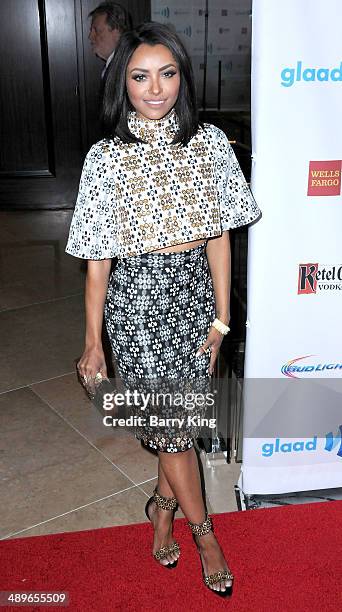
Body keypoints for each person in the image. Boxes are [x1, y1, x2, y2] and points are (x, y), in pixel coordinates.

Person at [65, 21, 261, 597]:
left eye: (168, 74)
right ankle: (205, 533)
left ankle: (159, 506)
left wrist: (222, 318)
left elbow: (220, 236)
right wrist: (93, 338)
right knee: (173, 431)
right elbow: (98, 258)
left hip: (194, 297)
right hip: (137, 304)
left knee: (179, 421)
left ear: (183, 76)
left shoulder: (210, 145)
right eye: (141, 76)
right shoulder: (106, 159)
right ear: (121, 82)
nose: (156, 89)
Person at [88, 1, 132, 78]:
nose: (90, 36)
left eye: (97, 31)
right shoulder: (114, 65)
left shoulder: (126, 69)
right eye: (91, 30)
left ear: (117, 31)